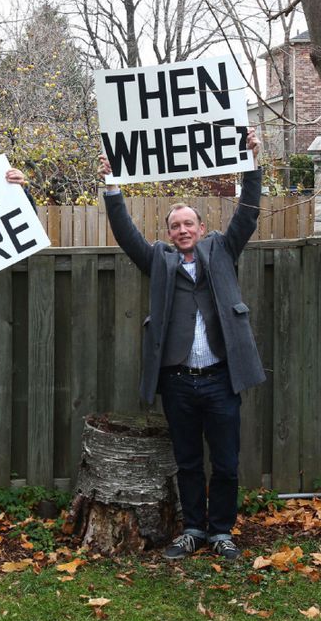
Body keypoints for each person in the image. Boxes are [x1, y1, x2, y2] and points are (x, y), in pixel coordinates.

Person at [98, 129, 265, 561]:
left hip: (220, 379)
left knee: (226, 463)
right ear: (169, 233)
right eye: (175, 225)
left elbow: (246, 215)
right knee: (188, 461)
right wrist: (112, 186)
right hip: (178, 381)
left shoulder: (222, 252)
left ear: (201, 229)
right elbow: (125, 232)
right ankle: (193, 529)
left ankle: (222, 531)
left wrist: (250, 164)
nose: (182, 229)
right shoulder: (159, 260)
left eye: (189, 223)